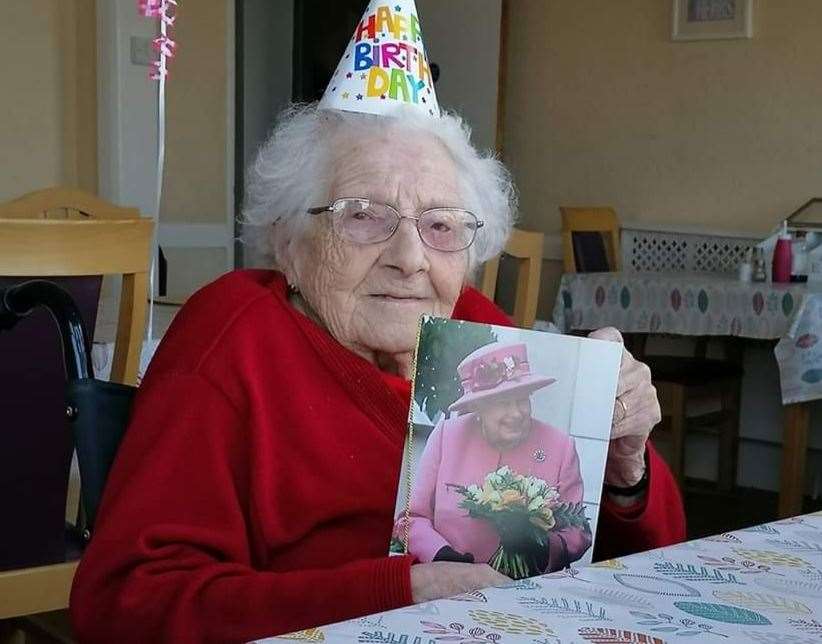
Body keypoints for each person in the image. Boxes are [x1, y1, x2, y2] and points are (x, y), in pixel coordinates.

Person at [70, 3, 685, 641]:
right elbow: (123, 605)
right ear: (289, 240)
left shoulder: (471, 328)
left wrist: (624, 466)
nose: (411, 260)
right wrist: (401, 590)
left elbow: (646, 564)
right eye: (364, 215)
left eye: (441, 226)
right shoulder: (237, 336)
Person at [403, 342, 592, 574]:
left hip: (524, 587)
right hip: (448, 580)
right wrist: (440, 556)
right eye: (503, 402)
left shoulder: (561, 446)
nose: (516, 413)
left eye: (522, 399)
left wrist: (542, 549)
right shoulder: (446, 437)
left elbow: (578, 532)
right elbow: (412, 519)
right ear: (478, 407)